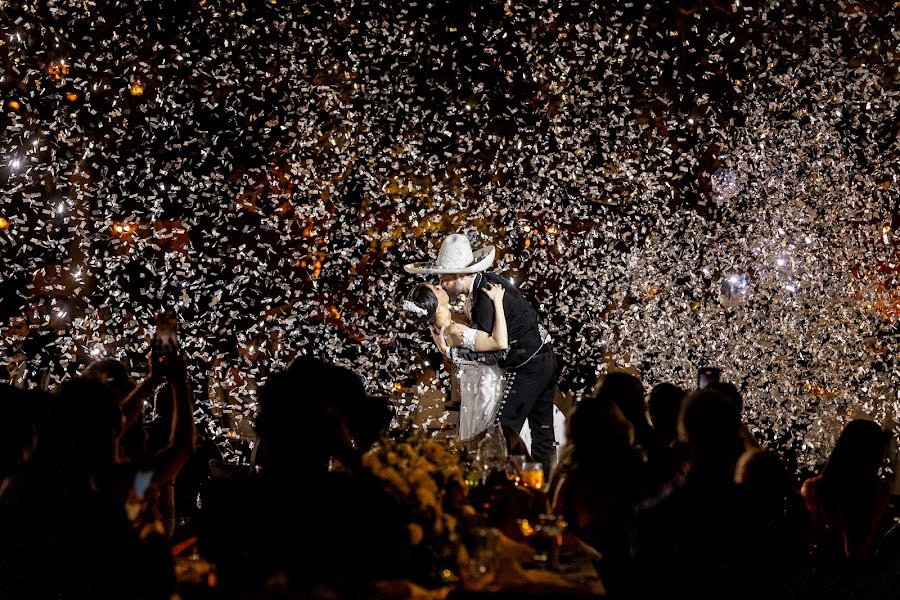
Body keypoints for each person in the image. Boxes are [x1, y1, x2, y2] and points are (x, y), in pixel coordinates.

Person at [406, 233, 559, 470]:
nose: (443, 284)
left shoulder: (484, 299)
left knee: (502, 434)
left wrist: (452, 354)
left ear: (459, 276)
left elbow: (496, 351)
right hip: (543, 358)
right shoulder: (483, 287)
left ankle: (498, 489)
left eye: (444, 279)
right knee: (543, 435)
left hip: (528, 366)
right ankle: (545, 489)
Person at [404, 280, 509, 442]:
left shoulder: (448, 324)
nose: (440, 286)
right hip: (487, 382)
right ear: (435, 305)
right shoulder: (453, 330)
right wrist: (498, 301)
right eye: (436, 289)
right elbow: (499, 342)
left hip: (477, 381)